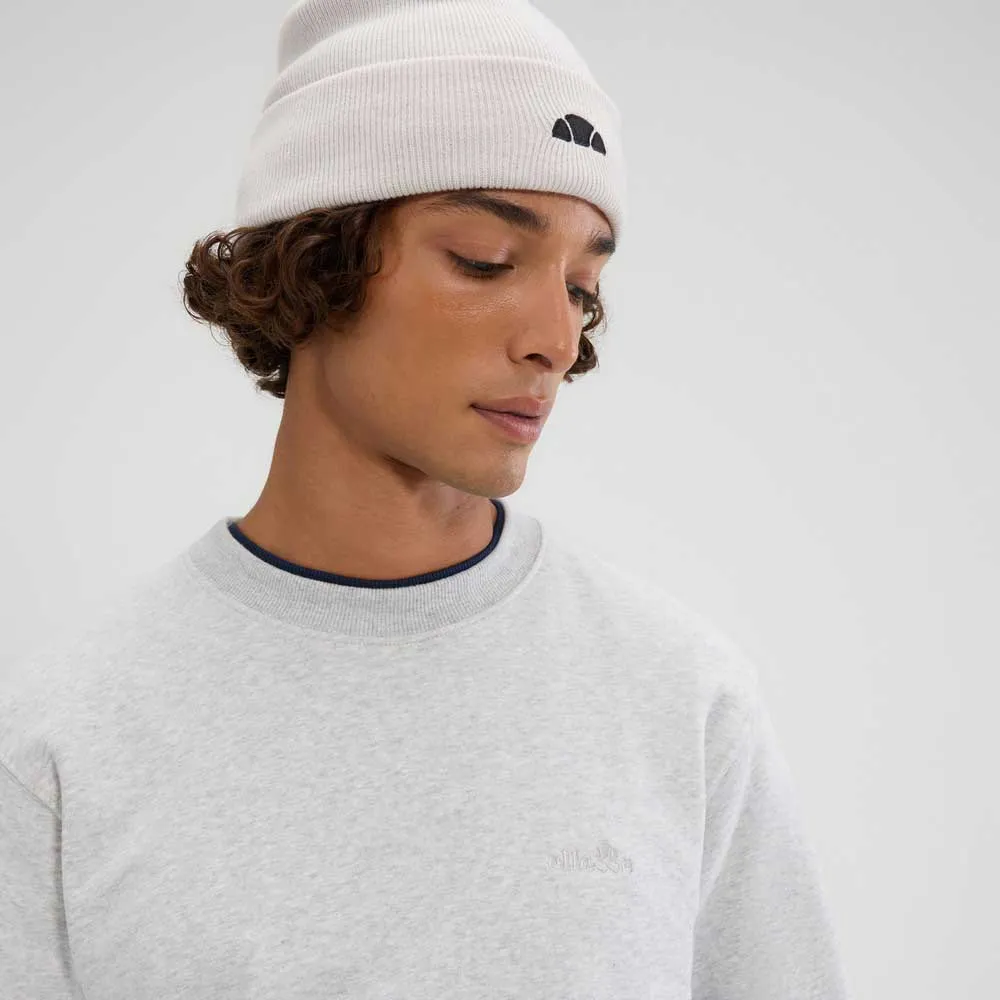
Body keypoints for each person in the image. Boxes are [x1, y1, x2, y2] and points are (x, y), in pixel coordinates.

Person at [0, 2, 852, 998]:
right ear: (316, 260)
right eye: (485, 259)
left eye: (580, 287)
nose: (557, 339)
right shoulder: (62, 738)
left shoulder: (684, 700)